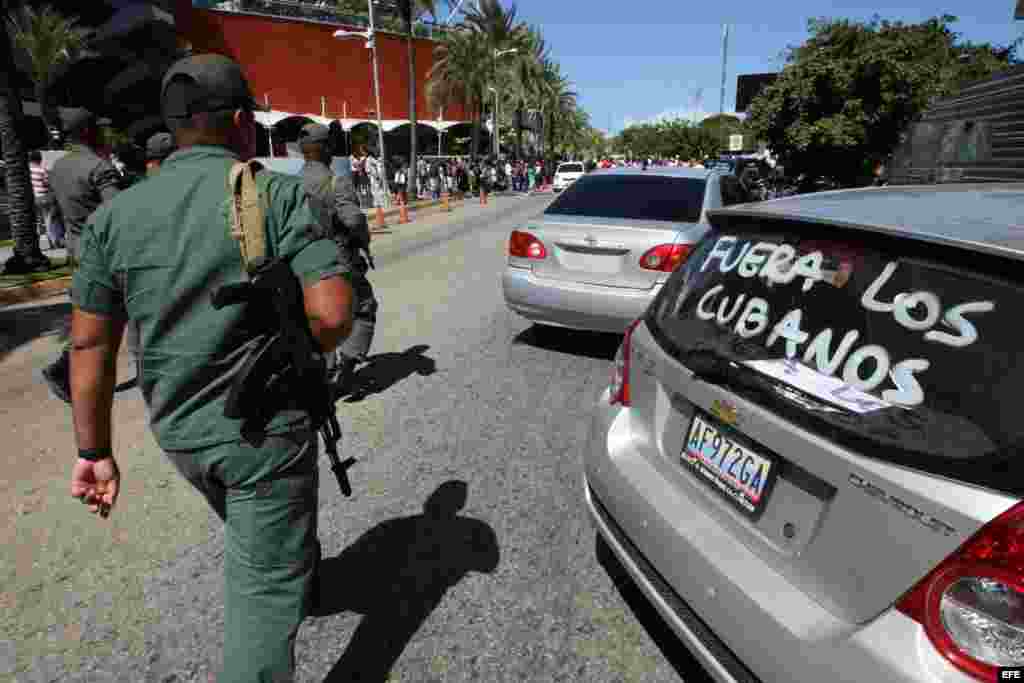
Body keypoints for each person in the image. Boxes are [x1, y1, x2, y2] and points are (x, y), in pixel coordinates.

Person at [68, 54, 355, 682]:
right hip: (263, 434)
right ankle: (281, 579)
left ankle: (290, 567)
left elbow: (88, 347)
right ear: (245, 124)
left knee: (265, 537)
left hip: (178, 431)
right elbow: (334, 317)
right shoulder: (272, 193)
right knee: (261, 590)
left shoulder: (114, 218)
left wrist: (94, 450)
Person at [42, 110, 123, 403]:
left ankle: (64, 369)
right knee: (118, 314)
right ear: (89, 132)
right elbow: (117, 213)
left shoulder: (59, 168)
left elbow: (52, 211)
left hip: (76, 250)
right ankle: (66, 370)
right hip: (104, 252)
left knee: (94, 315)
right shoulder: (99, 167)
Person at [297, 122, 377, 389]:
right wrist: (363, 240)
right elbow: (353, 220)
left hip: (302, 261)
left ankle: (325, 369)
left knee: (317, 316)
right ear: (326, 149)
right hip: (337, 258)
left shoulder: (291, 183)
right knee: (364, 306)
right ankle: (348, 365)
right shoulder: (335, 182)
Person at [29, 150, 64, 250]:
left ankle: (38, 245)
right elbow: (48, 183)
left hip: (33, 199)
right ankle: (53, 243)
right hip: (44, 198)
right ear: (39, 159)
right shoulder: (42, 170)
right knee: (48, 220)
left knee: (37, 221)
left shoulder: (26, 171)